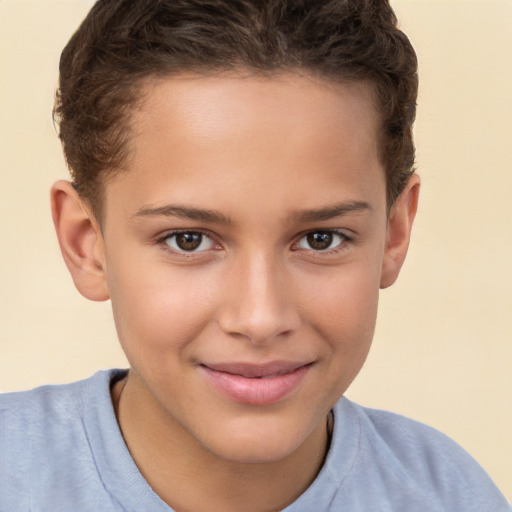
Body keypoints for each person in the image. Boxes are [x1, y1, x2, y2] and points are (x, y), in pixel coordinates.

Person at [0, 0, 509, 510]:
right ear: (86, 243)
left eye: (320, 239)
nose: (261, 319)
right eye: (189, 240)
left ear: (394, 235)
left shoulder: (452, 496)